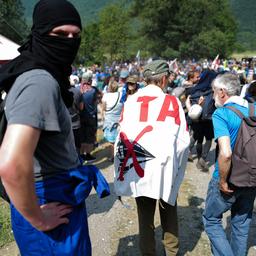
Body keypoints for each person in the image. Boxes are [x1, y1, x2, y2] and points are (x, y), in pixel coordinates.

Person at [0, 1, 109, 255]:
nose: (69, 41)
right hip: (49, 198)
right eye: (60, 34)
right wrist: (38, 217)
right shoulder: (40, 81)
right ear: (39, 33)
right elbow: (10, 164)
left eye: (76, 35)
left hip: (53, 193)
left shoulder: (41, 75)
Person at [114, 60, 190, 255]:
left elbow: (121, 138)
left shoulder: (130, 101)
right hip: (164, 166)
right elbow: (183, 141)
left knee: (145, 217)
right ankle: (171, 252)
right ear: (164, 79)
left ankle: (148, 253)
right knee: (169, 211)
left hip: (139, 166)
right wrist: (175, 166)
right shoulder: (172, 101)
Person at [203, 73, 256, 256]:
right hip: (251, 178)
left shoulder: (222, 113)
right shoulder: (254, 108)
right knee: (241, 225)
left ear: (222, 92)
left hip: (228, 178)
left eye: (213, 92)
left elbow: (225, 153)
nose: (213, 96)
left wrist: (223, 181)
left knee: (211, 220)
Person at [80, 72, 102, 162]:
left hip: (81, 117)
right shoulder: (94, 90)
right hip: (91, 117)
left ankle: (81, 155)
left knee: (82, 137)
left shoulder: (78, 89)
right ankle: (87, 155)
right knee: (89, 137)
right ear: (90, 80)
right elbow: (101, 96)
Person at [102, 79, 123, 162]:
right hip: (119, 120)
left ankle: (112, 156)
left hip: (109, 121)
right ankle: (119, 155)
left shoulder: (106, 96)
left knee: (111, 142)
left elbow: (103, 108)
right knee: (119, 140)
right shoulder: (121, 95)